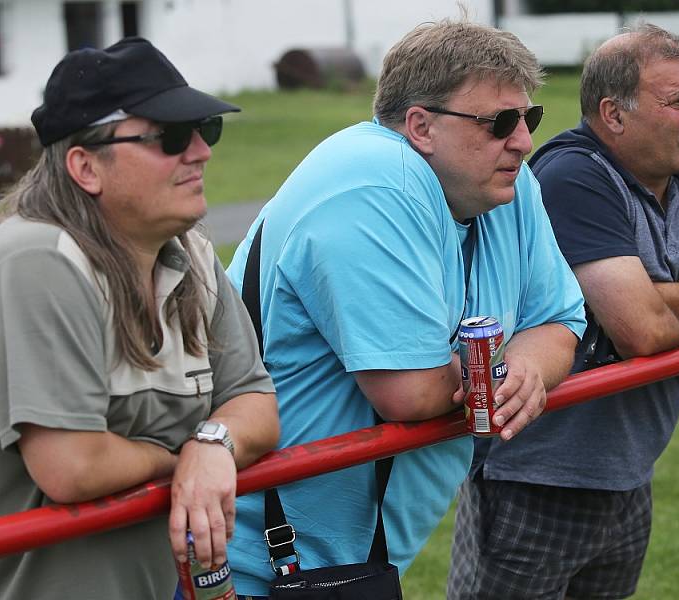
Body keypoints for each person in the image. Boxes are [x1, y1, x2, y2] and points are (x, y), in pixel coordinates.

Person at [224, 17, 586, 597]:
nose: (522, 141)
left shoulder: (503, 184)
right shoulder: (377, 180)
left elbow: (561, 319)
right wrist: (497, 374)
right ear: (420, 126)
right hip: (253, 563)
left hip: (343, 561)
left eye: (529, 119)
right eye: (499, 122)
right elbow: (410, 391)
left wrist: (526, 371)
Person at [447, 22, 679, 600]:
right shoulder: (572, 175)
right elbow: (642, 333)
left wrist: (652, 294)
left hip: (629, 471)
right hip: (536, 478)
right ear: (613, 115)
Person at [0, 37, 280, 599]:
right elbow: (72, 465)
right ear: (85, 166)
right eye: (171, 137)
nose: (200, 151)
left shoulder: (191, 252)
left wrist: (213, 445)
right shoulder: (36, 259)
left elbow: (257, 403)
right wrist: (185, 458)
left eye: (207, 131)